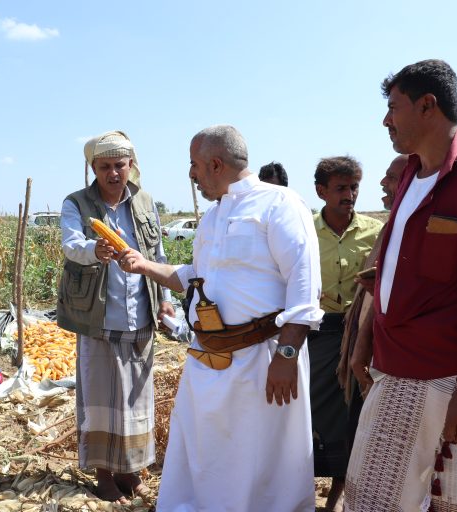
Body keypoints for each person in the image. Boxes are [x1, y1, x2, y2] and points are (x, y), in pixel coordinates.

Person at [118, 125, 323, 511]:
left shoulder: (280, 205)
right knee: (205, 453)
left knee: (263, 461)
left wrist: (287, 356)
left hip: (263, 362)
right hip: (208, 362)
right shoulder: (211, 218)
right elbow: (195, 277)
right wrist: (145, 265)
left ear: (215, 163)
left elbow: (305, 287)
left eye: (194, 166)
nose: (192, 175)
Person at [345, 59, 457, 511]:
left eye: (393, 107)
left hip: (450, 378)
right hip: (396, 370)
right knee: (373, 498)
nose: (386, 119)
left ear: (428, 105)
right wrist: (364, 343)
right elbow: (388, 271)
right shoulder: (408, 174)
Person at [56, 130, 174, 505]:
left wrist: (166, 299)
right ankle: (105, 476)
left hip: (139, 315)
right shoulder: (76, 203)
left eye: (119, 166)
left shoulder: (145, 202)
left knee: (137, 400)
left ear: (131, 166)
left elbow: (158, 251)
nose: (112, 173)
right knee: (101, 399)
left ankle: (132, 472)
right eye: (104, 166)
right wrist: (97, 249)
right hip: (98, 315)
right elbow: (71, 246)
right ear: (93, 168)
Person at [310, 156, 382, 510]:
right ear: (321, 191)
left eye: (353, 187)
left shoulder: (375, 231)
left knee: (352, 417)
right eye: (340, 188)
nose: (349, 194)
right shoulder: (305, 231)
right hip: (317, 336)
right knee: (315, 415)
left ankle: (339, 496)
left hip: (359, 337)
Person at [337, 153, 408, 439]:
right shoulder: (393, 228)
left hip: (396, 361)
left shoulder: (402, 229)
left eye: (391, 177)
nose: (382, 182)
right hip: (369, 352)